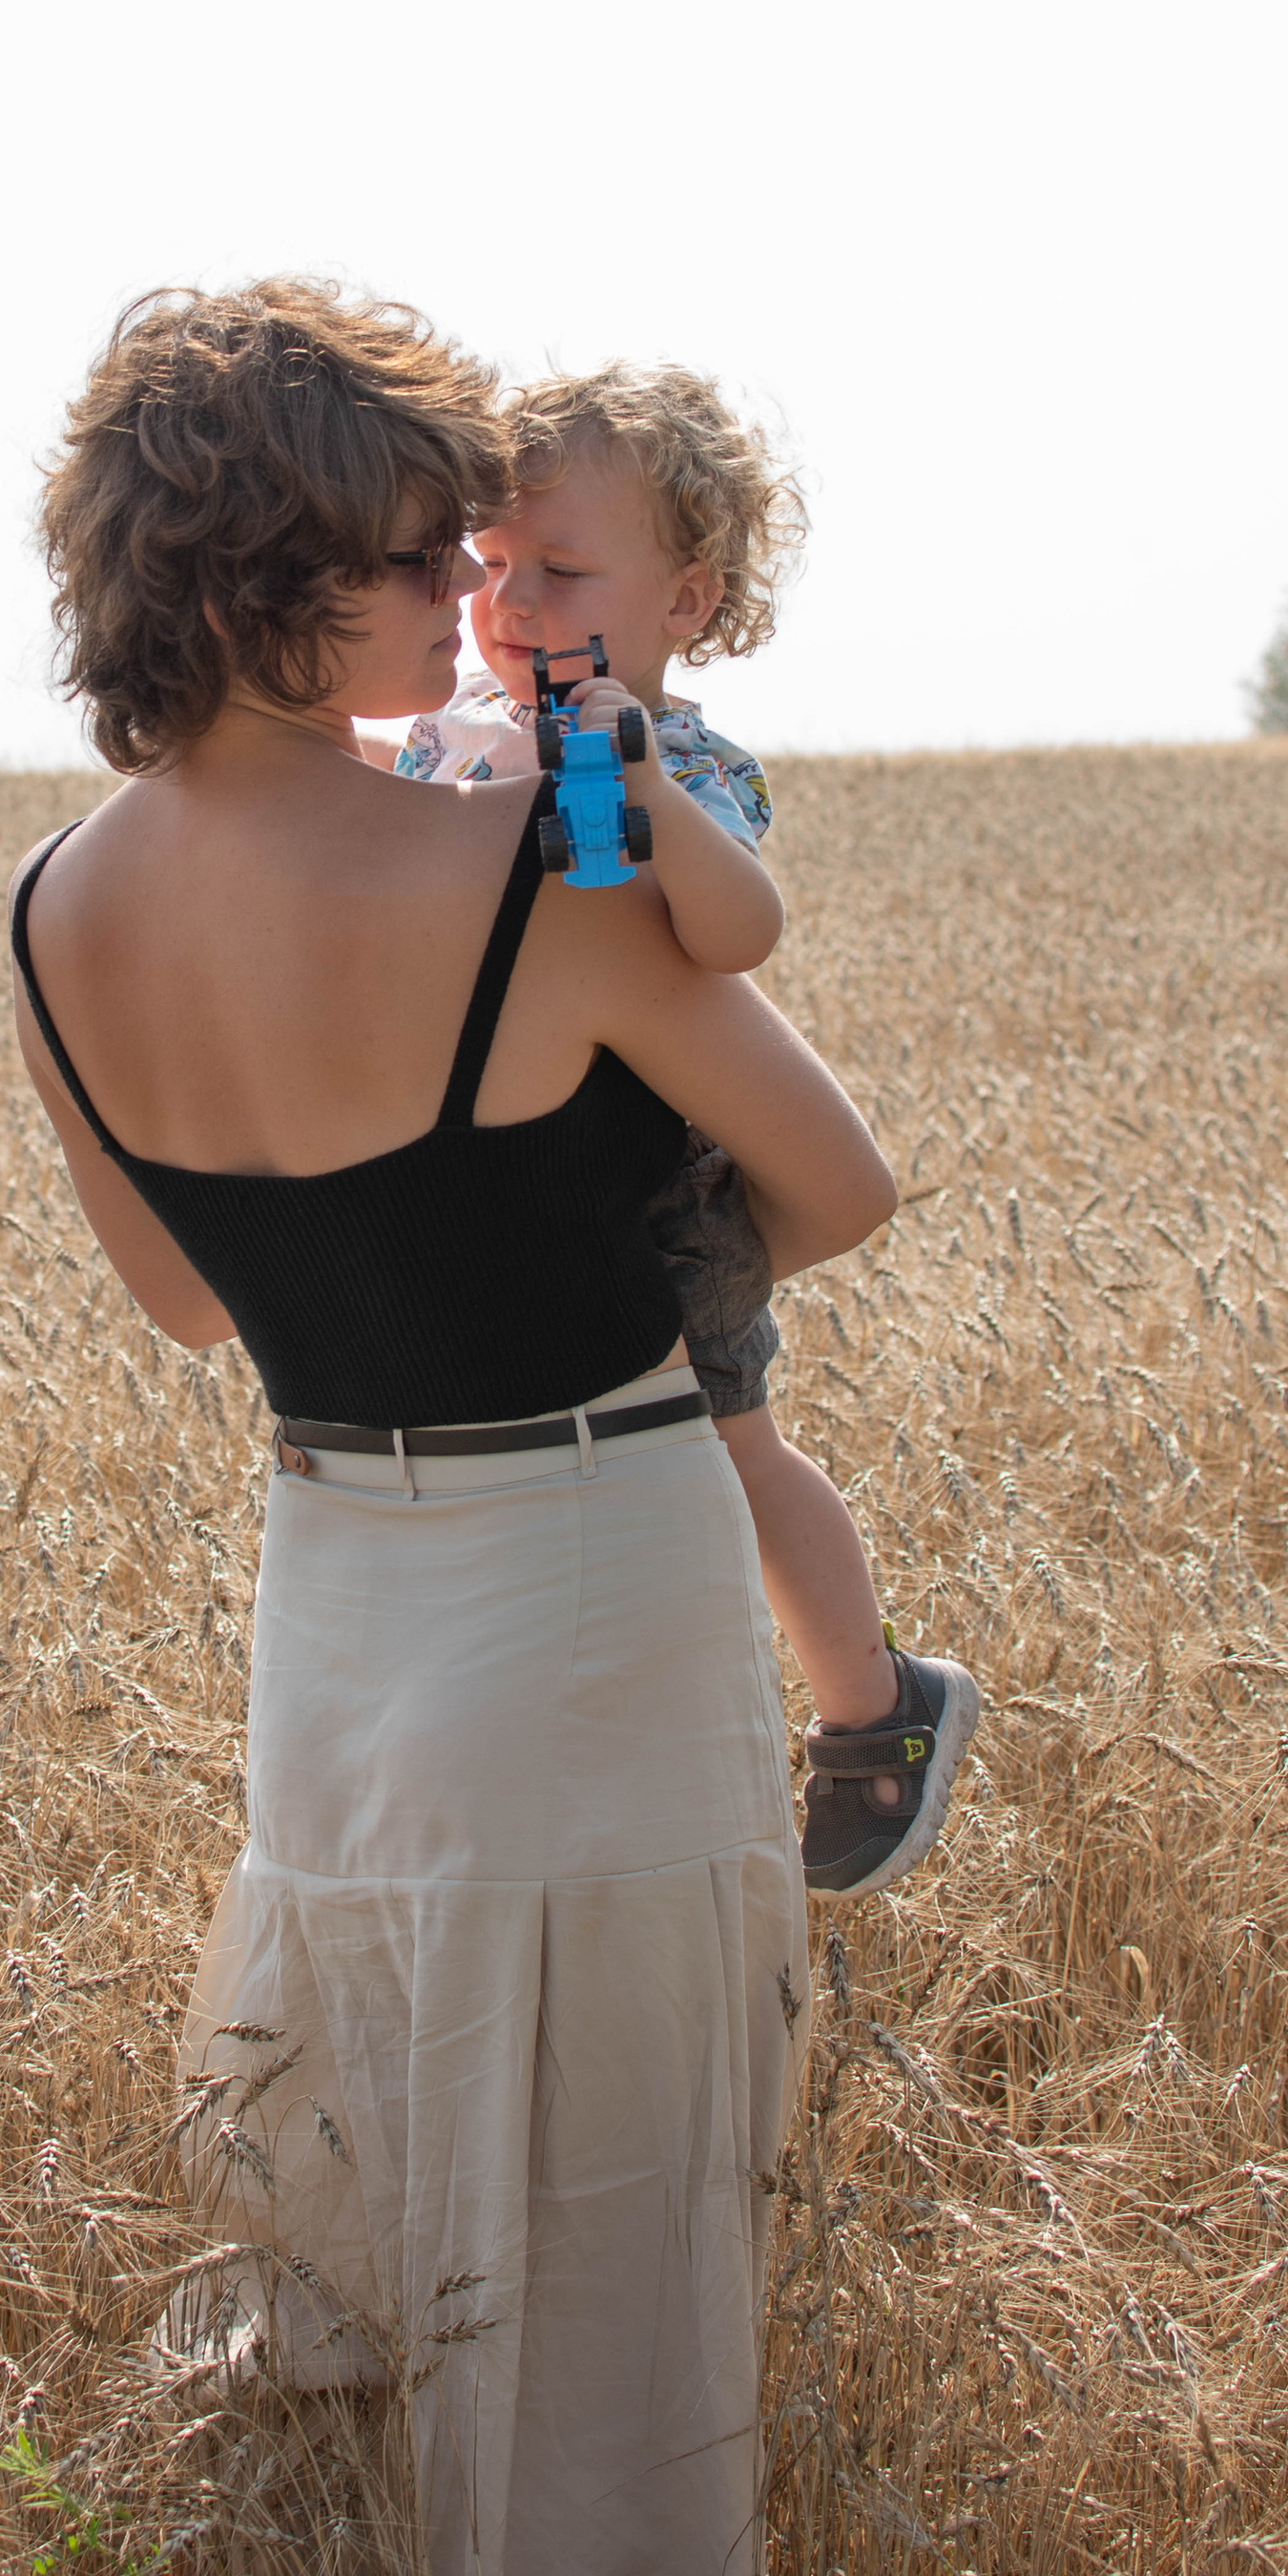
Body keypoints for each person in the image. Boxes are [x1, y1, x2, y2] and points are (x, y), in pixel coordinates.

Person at [10, 281, 899, 2576]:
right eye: (415, 554)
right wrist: (627, 1296)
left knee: (371, 2174)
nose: (466, 592)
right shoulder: (540, 872)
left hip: (332, 1615)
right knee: (606, 2244)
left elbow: (188, 1300)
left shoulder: (43, 915)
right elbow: (841, 1188)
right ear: (255, 578)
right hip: (596, 1573)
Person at [388, 361, 977, 1896]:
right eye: (493, 567)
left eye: (563, 570)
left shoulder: (680, 764)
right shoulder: (439, 744)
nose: (511, 604)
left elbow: (738, 938)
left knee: (728, 1449)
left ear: (689, 598)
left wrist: (644, 793)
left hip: (658, 1187)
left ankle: (876, 1706)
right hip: (498, 1179)